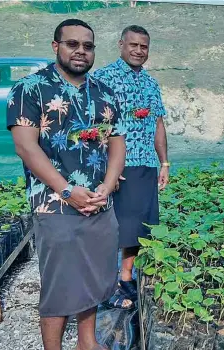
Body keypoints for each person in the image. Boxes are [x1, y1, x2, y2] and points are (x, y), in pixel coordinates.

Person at [7, 18, 129, 350]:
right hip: (54, 203)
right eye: (72, 44)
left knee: (93, 272)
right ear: (55, 46)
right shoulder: (31, 89)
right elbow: (26, 148)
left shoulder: (104, 92)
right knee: (61, 281)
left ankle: (87, 345)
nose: (81, 51)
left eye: (87, 46)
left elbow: (117, 142)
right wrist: (66, 191)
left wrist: (107, 184)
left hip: (99, 200)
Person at [93, 25, 169, 309]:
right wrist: (107, 165)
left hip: (146, 164)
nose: (138, 51)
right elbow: (94, 122)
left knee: (137, 228)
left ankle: (126, 279)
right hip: (120, 166)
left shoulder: (151, 83)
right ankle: (106, 285)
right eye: (133, 45)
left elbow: (158, 124)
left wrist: (164, 162)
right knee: (111, 227)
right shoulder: (103, 78)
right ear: (121, 44)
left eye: (144, 47)